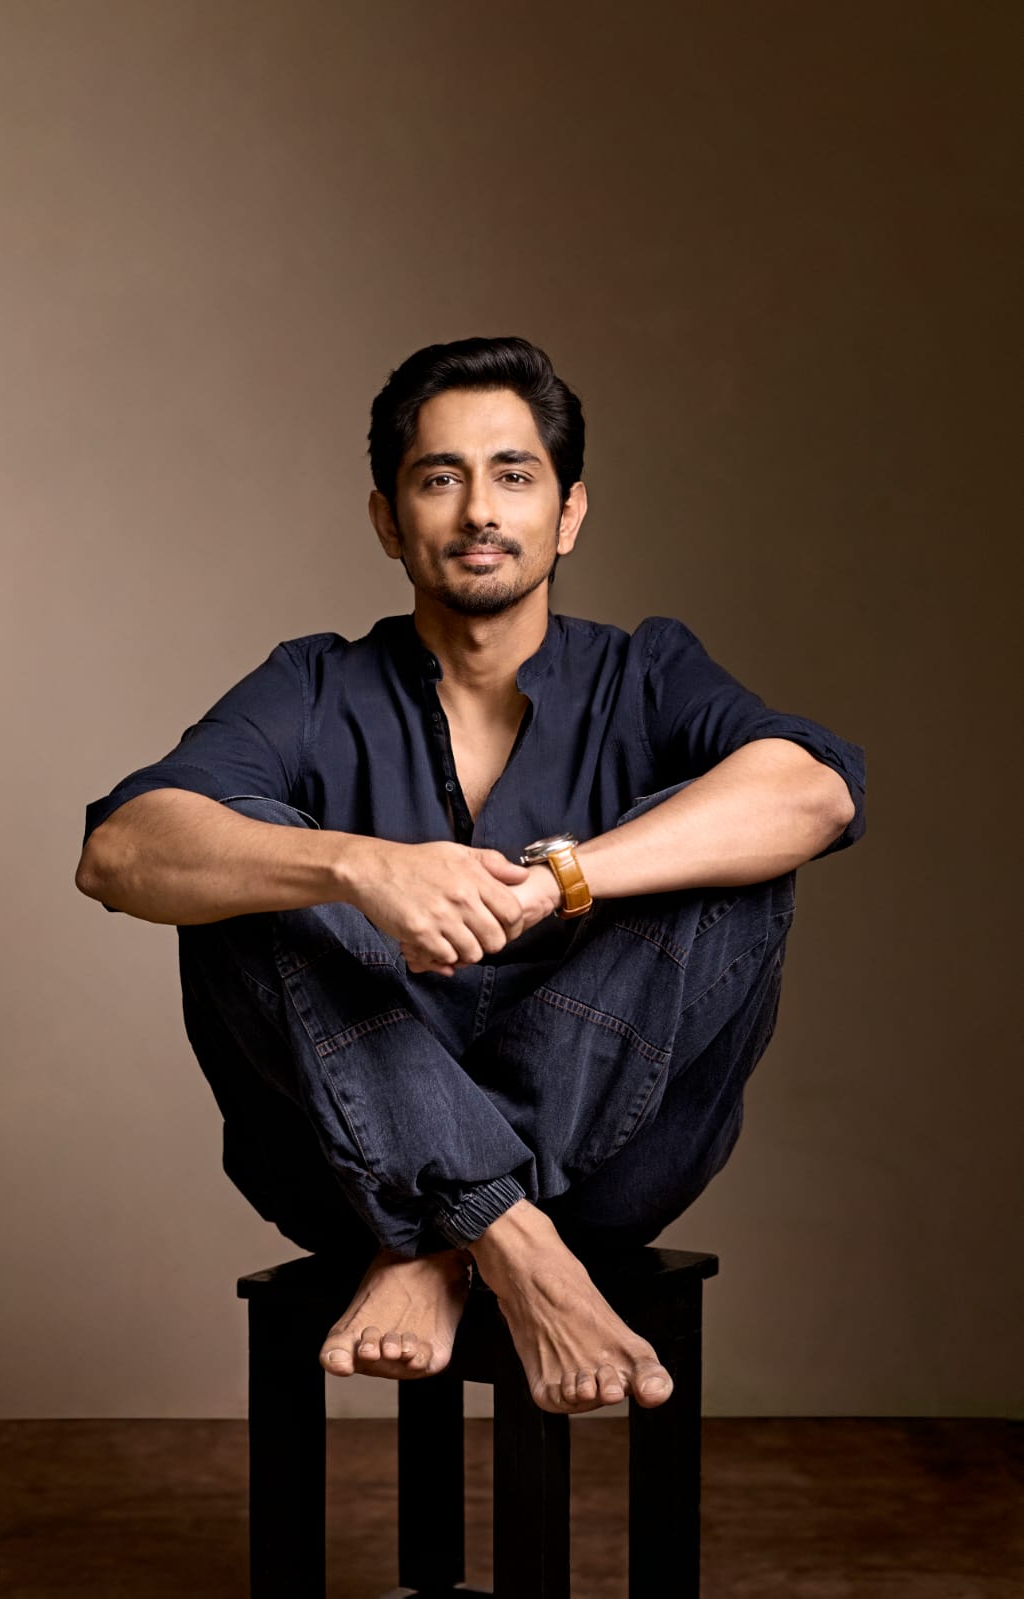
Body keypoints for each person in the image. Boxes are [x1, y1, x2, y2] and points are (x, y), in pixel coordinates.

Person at [76, 335, 865, 1416]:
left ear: (568, 513)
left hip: (607, 1167)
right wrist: (358, 867)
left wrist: (561, 880)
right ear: (387, 518)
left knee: (732, 845)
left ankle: (441, 1237)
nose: (479, 511)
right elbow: (120, 851)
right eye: (440, 478)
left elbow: (815, 794)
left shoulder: (645, 671)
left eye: (514, 476)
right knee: (239, 859)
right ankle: (507, 1237)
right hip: (343, 1171)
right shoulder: (311, 684)